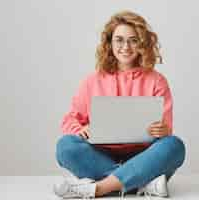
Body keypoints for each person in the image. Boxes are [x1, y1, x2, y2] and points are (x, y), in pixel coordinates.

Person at [54, 10, 186, 198]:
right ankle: (142, 183)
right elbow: (70, 120)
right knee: (65, 146)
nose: (126, 46)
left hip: (145, 156)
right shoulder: (92, 81)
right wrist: (80, 129)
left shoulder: (157, 81)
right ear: (110, 43)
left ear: (142, 43)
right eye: (119, 40)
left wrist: (163, 130)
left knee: (174, 146)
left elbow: (166, 129)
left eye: (133, 40)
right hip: (100, 156)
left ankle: (100, 188)